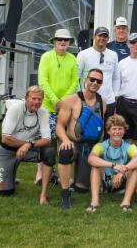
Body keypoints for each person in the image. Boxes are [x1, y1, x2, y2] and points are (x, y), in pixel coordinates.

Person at [56, 68, 107, 209]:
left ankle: (75, 181)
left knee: (82, 188)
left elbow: (101, 128)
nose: (95, 83)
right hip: (72, 142)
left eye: (99, 81)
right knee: (65, 153)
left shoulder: (102, 102)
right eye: (92, 79)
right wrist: (65, 140)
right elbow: (59, 126)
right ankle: (65, 194)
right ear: (85, 80)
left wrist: (99, 148)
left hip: (89, 145)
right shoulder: (71, 100)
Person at [0, 86, 55, 204]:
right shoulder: (15, 109)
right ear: (26, 98)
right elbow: (5, 139)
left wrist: (28, 145)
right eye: (34, 98)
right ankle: (11, 176)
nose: (37, 102)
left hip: (28, 150)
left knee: (49, 152)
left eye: (40, 99)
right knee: (6, 192)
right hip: (8, 151)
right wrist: (27, 144)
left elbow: (47, 140)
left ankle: (43, 195)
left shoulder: (43, 112)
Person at [86, 115, 137, 212]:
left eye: (120, 129)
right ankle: (94, 202)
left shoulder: (129, 146)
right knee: (95, 166)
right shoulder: (101, 146)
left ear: (124, 131)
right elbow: (91, 158)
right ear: (108, 131)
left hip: (122, 181)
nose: (117, 132)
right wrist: (114, 166)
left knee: (135, 168)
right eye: (114, 129)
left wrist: (122, 171)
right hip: (105, 182)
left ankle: (126, 202)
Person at [37, 28, 79, 139]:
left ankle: (61, 156)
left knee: (64, 136)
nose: (63, 42)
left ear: (69, 42)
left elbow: (75, 82)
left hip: (66, 106)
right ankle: (46, 157)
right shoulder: (45, 57)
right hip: (47, 105)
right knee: (46, 137)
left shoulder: (73, 59)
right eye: (59, 39)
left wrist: (63, 102)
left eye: (66, 39)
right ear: (54, 42)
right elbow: (42, 81)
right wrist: (55, 100)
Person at [77, 26, 120, 117]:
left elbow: (116, 77)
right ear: (94, 37)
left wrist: (115, 96)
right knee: (91, 130)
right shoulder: (83, 54)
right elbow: (76, 77)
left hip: (109, 101)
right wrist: (80, 96)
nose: (102, 38)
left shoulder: (113, 55)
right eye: (99, 36)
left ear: (108, 39)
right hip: (89, 101)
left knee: (109, 130)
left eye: (105, 36)